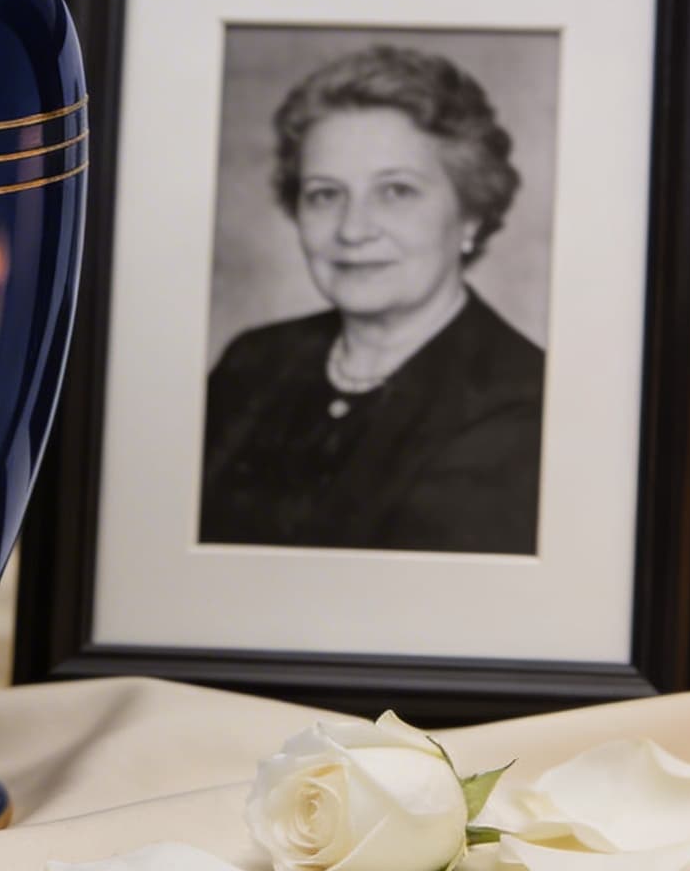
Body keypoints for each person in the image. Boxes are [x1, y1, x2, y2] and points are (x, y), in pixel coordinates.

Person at [200, 43, 545, 554]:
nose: (353, 229)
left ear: (470, 214)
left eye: (396, 191)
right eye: (325, 194)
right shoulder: (253, 361)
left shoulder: (522, 402)